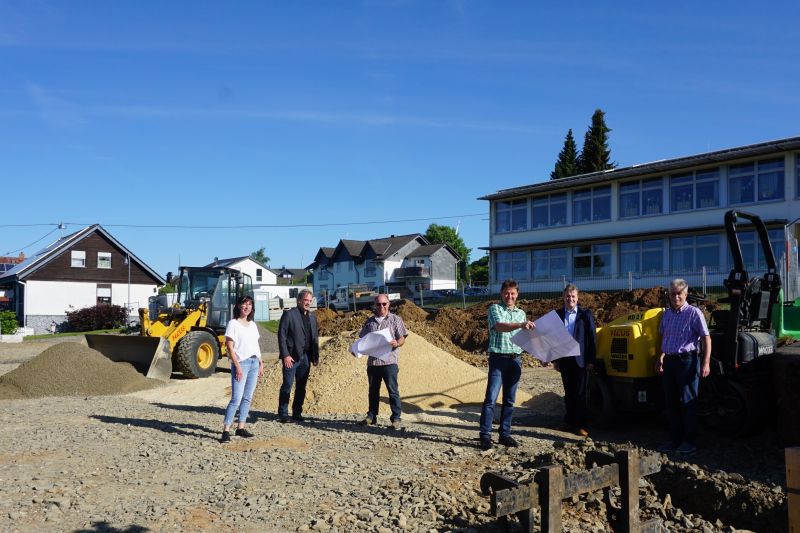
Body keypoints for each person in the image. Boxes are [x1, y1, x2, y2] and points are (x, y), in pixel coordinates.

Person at [655, 279, 711, 455]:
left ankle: (689, 441)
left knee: (688, 402)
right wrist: (660, 358)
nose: (676, 296)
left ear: (685, 294)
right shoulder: (667, 315)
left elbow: (706, 338)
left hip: (687, 361)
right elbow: (664, 339)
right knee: (671, 402)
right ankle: (675, 440)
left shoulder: (694, 313)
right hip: (669, 362)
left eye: (679, 293)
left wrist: (706, 362)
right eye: (673, 293)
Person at [479, 279, 535, 451]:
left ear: (517, 294)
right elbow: (500, 326)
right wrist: (520, 325)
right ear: (501, 293)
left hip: (515, 360)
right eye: (506, 293)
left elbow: (526, 339)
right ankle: (485, 435)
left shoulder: (521, 313)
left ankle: (504, 434)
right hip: (498, 359)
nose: (509, 296)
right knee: (491, 399)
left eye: (512, 293)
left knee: (509, 400)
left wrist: (541, 354)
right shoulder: (494, 309)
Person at [355, 294, 408, 430]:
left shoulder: (395, 320)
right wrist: (356, 350)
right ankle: (371, 416)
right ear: (375, 305)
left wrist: (397, 343)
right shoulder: (370, 322)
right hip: (373, 364)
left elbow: (402, 338)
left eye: (384, 304)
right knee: (373, 391)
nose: (381, 307)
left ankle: (396, 418)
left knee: (393, 391)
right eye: (378, 304)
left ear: (389, 304)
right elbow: (363, 341)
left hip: (389, 362)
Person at [552, 284, 596, 437]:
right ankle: (568, 422)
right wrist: (555, 360)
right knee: (568, 393)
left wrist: (591, 360)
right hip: (565, 360)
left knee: (581, 394)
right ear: (563, 297)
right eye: (567, 296)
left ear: (577, 298)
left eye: (573, 297)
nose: (570, 299)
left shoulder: (585, 314)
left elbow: (592, 337)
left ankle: (581, 425)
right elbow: (554, 338)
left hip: (581, 360)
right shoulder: (557, 315)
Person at [220, 296, 263, 443]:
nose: (247, 306)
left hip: (254, 362)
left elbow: (255, 346)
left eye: (250, 304)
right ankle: (226, 430)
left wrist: (261, 362)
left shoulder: (252, 325)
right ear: (239, 306)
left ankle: (241, 427)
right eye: (244, 304)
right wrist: (237, 365)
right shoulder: (233, 324)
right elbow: (229, 347)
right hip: (241, 363)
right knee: (236, 398)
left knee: (247, 397)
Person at [277, 289, 320, 423]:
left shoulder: (312, 317)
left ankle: (297, 412)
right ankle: (283, 413)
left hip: (306, 357)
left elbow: (315, 338)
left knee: (301, 386)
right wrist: (285, 355)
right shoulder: (289, 315)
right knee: (288, 385)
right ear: (299, 301)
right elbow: (281, 336)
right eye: (305, 300)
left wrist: (315, 357)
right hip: (291, 357)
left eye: (310, 300)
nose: (308, 303)